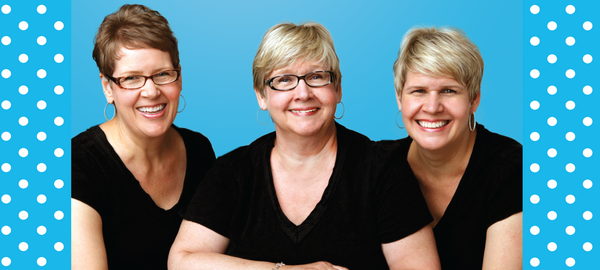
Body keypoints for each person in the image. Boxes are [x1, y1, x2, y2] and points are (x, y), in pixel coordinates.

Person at [168, 22, 440, 270]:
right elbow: (183, 261)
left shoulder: (381, 169)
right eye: (284, 80)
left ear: (338, 89)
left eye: (317, 76)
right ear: (261, 96)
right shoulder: (232, 172)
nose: (303, 93)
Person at [71, 4, 215, 270]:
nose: (150, 92)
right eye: (132, 78)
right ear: (108, 87)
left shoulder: (200, 150)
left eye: (162, 74)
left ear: (179, 77)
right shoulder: (76, 164)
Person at [387, 26, 522, 269]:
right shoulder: (379, 166)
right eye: (418, 91)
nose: (432, 106)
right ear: (399, 98)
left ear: (474, 99)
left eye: (449, 91)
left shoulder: (512, 169)